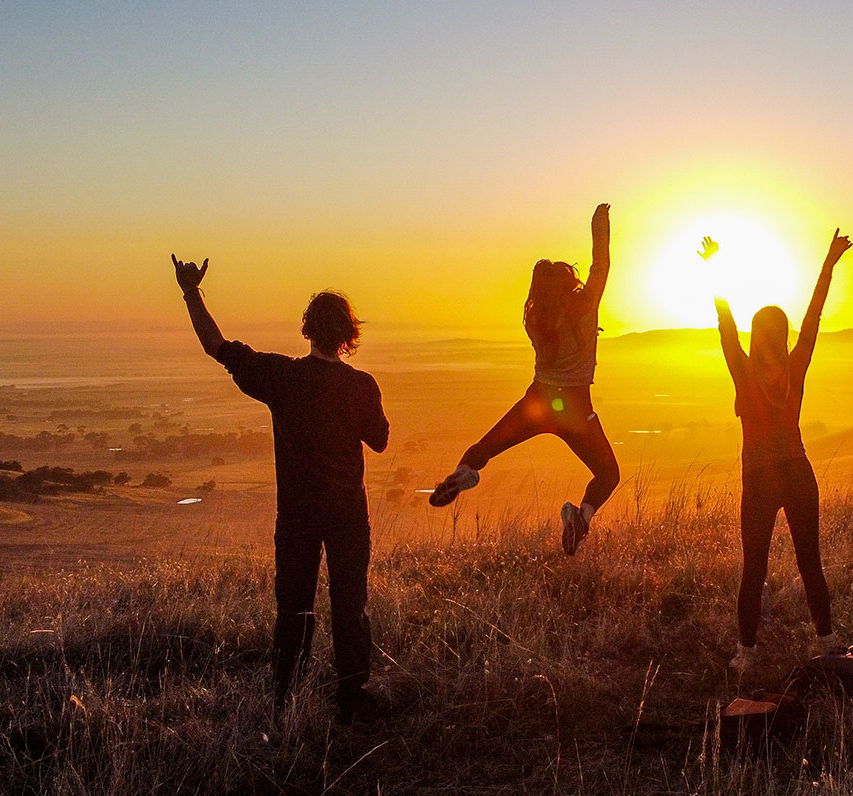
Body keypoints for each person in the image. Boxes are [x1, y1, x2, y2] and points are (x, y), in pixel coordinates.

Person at [172, 254, 389, 719]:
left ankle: (284, 697)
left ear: (307, 330)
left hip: (297, 516)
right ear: (349, 336)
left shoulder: (282, 377)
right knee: (350, 605)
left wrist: (192, 293)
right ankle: (351, 695)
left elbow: (217, 345)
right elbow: (382, 440)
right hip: (349, 514)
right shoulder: (361, 385)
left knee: (294, 607)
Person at [428, 204, 619, 555]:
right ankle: (581, 518)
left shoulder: (535, 320)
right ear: (569, 284)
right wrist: (599, 223)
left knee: (483, 449)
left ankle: (463, 474)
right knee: (608, 475)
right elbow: (601, 266)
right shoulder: (585, 307)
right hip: (575, 409)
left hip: (538, 401)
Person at [708, 229, 853, 673]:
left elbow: (726, 326)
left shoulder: (743, 372)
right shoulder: (796, 365)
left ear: (757, 336)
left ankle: (746, 653)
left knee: (755, 568)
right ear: (783, 334)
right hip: (798, 471)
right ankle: (827, 641)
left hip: (760, 477)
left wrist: (715, 268)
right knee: (810, 559)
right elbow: (814, 316)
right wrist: (827, 265)